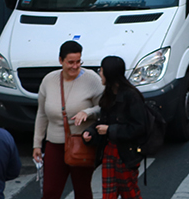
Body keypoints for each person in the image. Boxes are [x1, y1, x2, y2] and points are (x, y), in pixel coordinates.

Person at [33, 41, 104, 199]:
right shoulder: (49, 80)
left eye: (78, 62)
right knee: (50, 192)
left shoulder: (92, 79)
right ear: (60, 61)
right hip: (54, 143)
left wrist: (88, 112)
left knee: (82, 190)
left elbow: (104, 108)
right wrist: (37, 144)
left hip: (81, 143)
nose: (75, 66)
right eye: (70, 62)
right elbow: (42, 113)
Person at [82, 56, 147, 199]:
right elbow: (102, 121)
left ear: (109, 74)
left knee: (129, 193)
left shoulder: (132, 96)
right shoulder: (108, 94)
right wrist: (91, 132)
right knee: (108, 195)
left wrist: (110, 130)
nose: (99, 73)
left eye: (102, 70)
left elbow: (139, 127)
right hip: (109, 152)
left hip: (126, 154)